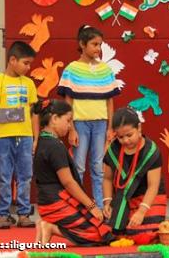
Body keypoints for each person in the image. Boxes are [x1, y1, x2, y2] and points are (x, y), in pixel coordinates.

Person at [33, 99, 113, 246]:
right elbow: (68, 182)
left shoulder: (42, 141)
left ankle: (46, 224)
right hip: (56, 203)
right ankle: (50, 227)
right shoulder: (55, 146)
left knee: (102, 228)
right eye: (68, 120)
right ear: (54, 119)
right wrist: (92, 206)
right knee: (99, 234)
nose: (70, 125)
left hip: (47, 202)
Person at [58, 25, 121, 209]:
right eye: (94, 44)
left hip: (100, 125)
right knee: (78, 167)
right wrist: (71, 129)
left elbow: (109, 101)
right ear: (82, 44)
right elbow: (68, 102)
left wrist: (110, 127)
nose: (98, 48)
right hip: (80, 124)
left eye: (100, 44)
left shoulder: (105, 70)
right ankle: (79, 207)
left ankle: (100, 208)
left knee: (98, 167)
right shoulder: (72, 69)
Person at [0, 41, 38, 229]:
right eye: (26, 63)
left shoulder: (29, 84)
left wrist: (35, 138)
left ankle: (24, 214)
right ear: (12, 60)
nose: (28, 67)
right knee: (3, 176)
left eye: (30, 63)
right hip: (2, 138)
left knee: (25, 176)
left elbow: (34, 113)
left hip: (25, 137)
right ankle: (2, 214)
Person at [103, 108, 166, 243]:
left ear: (139, 128)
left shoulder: (152, 151)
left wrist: (142, 212)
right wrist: (107, 202)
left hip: (148, 199)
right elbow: (107, 179)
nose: (125, 140)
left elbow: (153, 186)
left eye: (129, 135)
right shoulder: (113, 150)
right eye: (120, 137)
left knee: (144, 236)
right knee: (106, 232)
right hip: (124, 199)